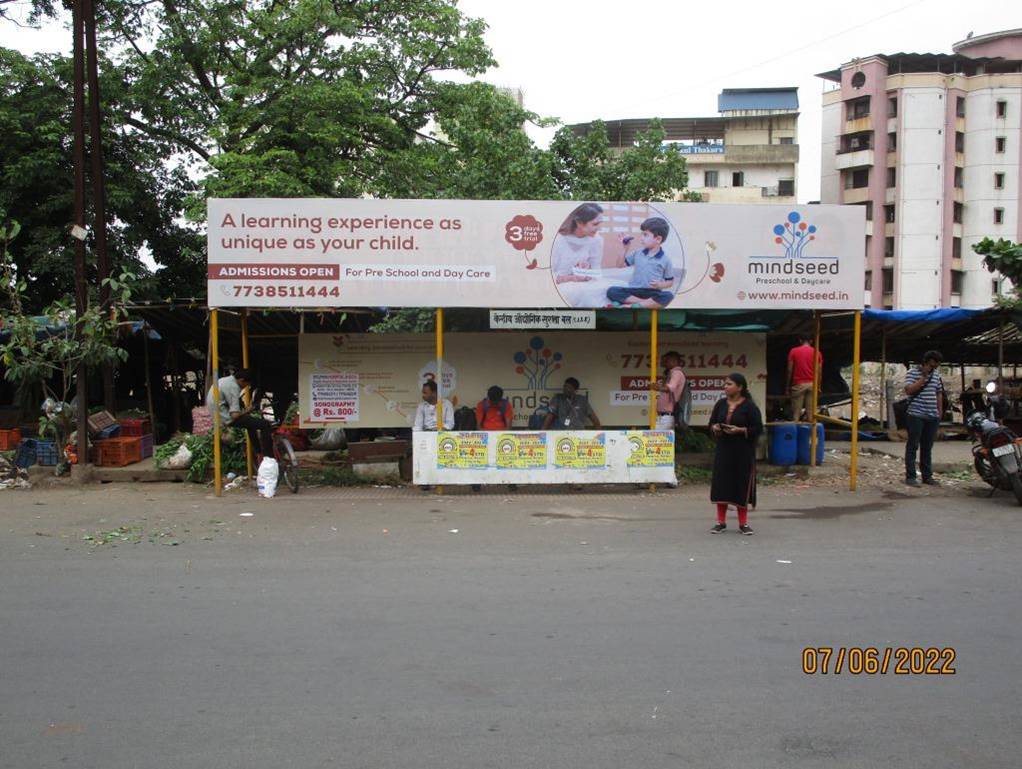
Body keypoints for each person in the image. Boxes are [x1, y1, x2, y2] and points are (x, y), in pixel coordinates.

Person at [708, 373, 763, 535]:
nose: (725, 387)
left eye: (729, 384)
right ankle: (720, 522)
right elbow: (711, 423)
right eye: (725, 384)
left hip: (743, 451)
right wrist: (715, 428)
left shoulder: (750, 407)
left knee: (741, 484)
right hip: (724, 449)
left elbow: (758, 428)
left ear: (740, 387)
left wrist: (741, 430)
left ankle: (743, 523)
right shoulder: (720, 404)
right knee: (722, 483)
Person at [606, 217, 675, 309]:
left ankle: (627, 305)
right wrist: (624, 249)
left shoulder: (665, 260)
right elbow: (619, 265)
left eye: (645, 235)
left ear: (658, 239)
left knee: (668, 295)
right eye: (642, 234)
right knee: (612, 291)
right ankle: (644, 304)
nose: (641, 238)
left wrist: (660, 285)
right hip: (634, 290)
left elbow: (670, 282)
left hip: (652, 292)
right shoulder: (637, 253)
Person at [205, 367, 274, 458]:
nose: (245, 387)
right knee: (265, 424)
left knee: (250, 423)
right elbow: (235, 415)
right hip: (225, 418)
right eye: (246, 384)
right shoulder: (233, 387)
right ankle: (269, 457)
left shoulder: (224, 380)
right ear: (241, 380)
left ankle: (258, 452)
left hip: (218, 414)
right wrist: (247, 411)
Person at [903, 350, 944, 487]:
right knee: (913, 445)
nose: (933, 369)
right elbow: (909, 390)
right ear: (925, 363)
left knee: (927, 447)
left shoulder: (936, 375)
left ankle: (927, 476)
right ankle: (910, 476)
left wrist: (939, 411)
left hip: (932, 415)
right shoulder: (912, 373)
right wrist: (923, 378)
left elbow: (938, 393)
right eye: (931, 366)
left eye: (936, 367)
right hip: (915, 414)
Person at [551, 203, 605, 284]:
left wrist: (587, 270)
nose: (600, 228)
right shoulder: (557, 240)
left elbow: (596, 271)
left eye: (600, 223)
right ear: (579, 223)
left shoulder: (597, 240)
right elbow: (545, 276)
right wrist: (570, 278)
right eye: (595, 224)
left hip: (584, 286)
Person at [787, 335, 822, 421]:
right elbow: (819, 372)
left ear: (800, 340)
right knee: (811, 415)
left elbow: (789, 370)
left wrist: (787, 386)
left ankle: (795, 433)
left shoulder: (793, 351)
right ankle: (812, 434)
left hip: (798, 384)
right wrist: (819, 386)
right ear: (811, 341)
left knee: (796, 414)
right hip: (812, 384)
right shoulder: (817, 353)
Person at [655, 351, 686, 431]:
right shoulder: (671, 373)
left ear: (674, 361)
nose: (664, 363)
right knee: (659, 441)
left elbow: (670, 388)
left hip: (667, 416)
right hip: (664, 416)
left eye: (666, 361)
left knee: (660, 441)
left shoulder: (676, 373)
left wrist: (658, 387)